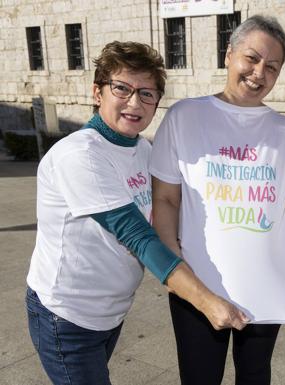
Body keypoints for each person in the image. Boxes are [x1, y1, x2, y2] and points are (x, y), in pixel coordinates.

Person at [26, 41, 223, 385]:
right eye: (122, 88)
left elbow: (171, 213)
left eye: (146, 93)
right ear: (98, 92)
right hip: (66, 315)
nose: (134, 103)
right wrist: (207, 301)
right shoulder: (80, 154)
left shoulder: (144, 150)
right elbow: (136, 235)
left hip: (110, 313)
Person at [149, 15, 285, 385]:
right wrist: (171, 265)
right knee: (199, 377)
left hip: (266, 285)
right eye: (252, 58)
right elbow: (164, 200)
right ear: (229, 54)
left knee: (255, 376)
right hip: (199, 285)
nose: (259, 73)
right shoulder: (185, 117)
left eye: (272, 67)